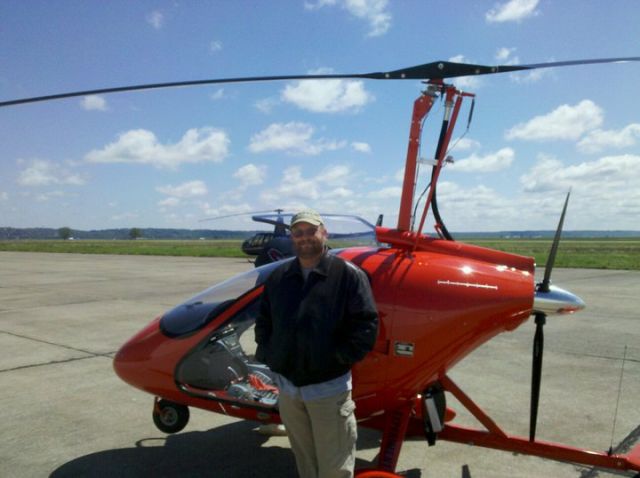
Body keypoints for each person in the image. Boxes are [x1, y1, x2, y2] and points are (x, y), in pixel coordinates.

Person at [255, 209, 379, 478]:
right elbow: (264, 320)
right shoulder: (279, 277)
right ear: (292, 238)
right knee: (305, 464)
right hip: (289, 389)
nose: (304, 238)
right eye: (298, 233)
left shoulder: (347, 275)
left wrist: (336, 359)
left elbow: (366, 325)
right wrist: (270, 355)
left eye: (311, 231)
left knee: (334, 468)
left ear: (325, 233)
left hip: (328, 390)